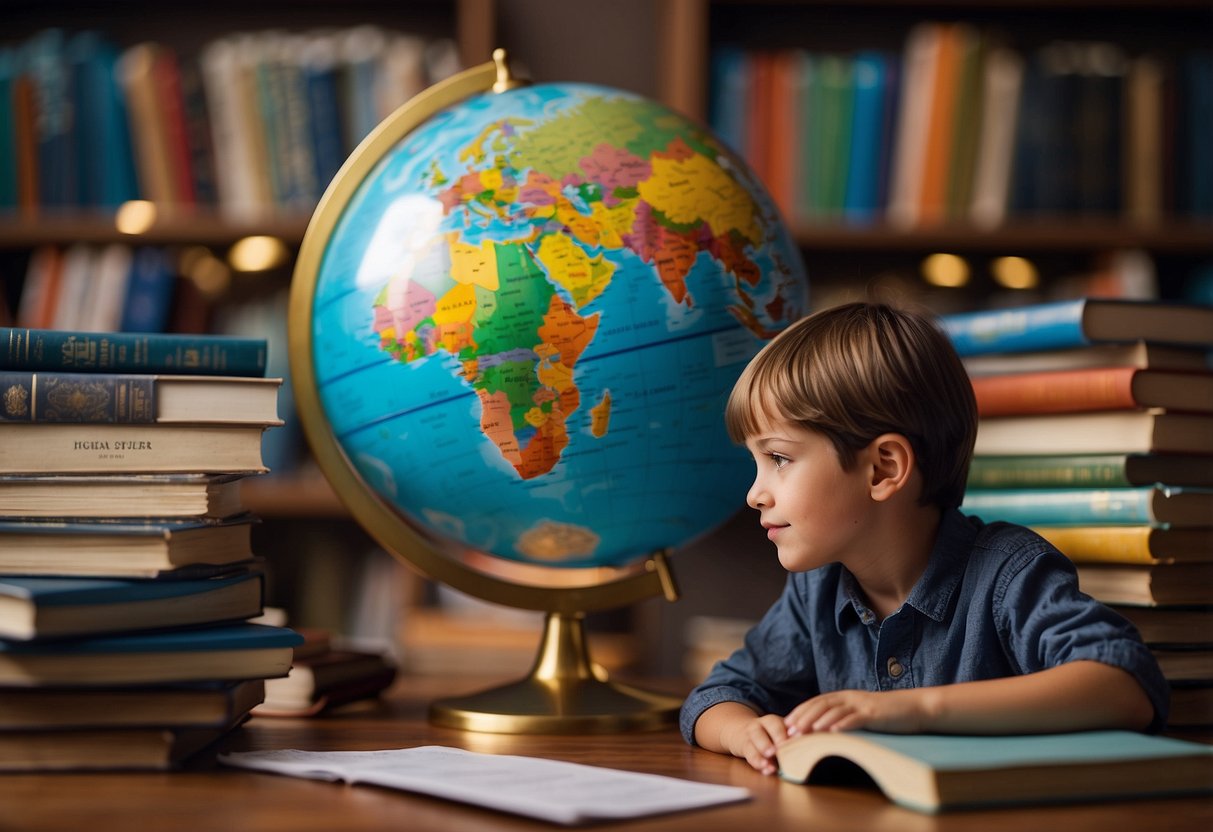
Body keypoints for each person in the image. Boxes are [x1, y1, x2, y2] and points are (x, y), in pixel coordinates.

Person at [680, 301, 1168, 775]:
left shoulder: (1008, 572)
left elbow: (1124, 684)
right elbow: (715, 698)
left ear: (883, 468)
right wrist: (744, 734)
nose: (754, 494)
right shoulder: (818, 588)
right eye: (756, 462)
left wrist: (914, 709)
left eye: (779, 459)